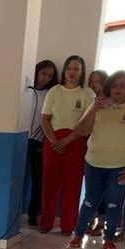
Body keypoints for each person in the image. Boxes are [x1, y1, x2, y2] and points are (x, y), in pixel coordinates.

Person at [69, 70, 125, 249]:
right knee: (90, 201)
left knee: (114, 204)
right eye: (114, 85)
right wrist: (93, 108)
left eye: (123, 85)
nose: (117, 89)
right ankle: (78, 234)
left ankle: (109, 238)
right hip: (94, 164)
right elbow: (82, 131)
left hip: (120, 167)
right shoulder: (98, 105)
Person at [40, 55, 95, 235]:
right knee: (49, 185)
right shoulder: (54, 91)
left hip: (76, 143)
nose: (72, 72)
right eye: (69, 68)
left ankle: (68, 226)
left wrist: (67, 140)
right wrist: (55, 141)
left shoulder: (87, 94)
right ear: (64, 70)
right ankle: (46, 223)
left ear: (81, 72)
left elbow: (86, 124)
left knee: (72, 186)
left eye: (76, 69)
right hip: (53, 142)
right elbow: (45, 119)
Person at [23, 60, 59, 227]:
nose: (46, 77)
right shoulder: (25, 91)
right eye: (44, 73)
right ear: (36, 71)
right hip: (20, 139)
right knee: (17, 178)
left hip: (39, 141)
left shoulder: (51, 94)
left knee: (37, 180)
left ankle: (33, 213)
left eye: (50, 75)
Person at [86, 69, 109, 235]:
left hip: (109, 153)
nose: (95, 85)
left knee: (106, 191)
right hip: (90, 151)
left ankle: (101, 223)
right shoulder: (89, 100)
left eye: (98, 82)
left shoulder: (111, 103)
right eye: (92, 82)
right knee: (91, 190)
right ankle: (90, 220)